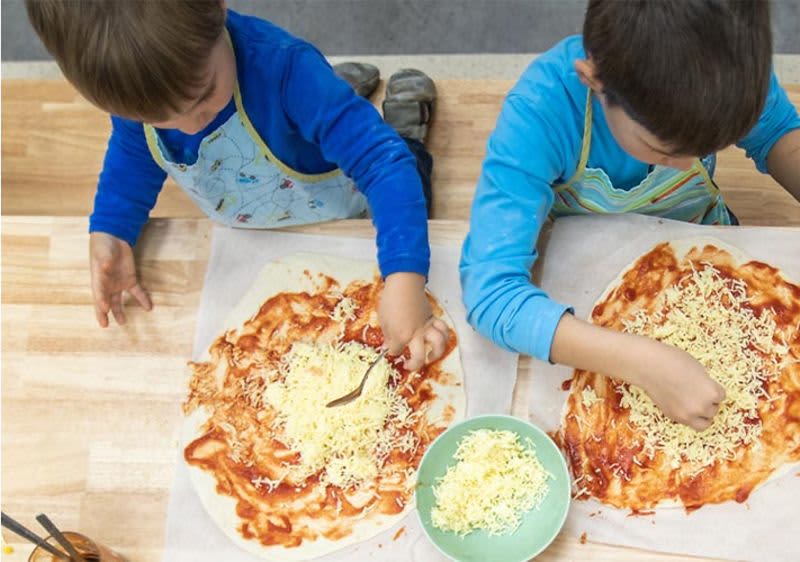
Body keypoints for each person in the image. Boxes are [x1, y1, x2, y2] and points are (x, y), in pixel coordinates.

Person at [25, 1, 444, 370]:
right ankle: (338, 99)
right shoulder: (143, 89)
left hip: (344, 201)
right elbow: (134, 155)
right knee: (326, 113)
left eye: (205, 96)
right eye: (162, 120)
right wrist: (112, 228)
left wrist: (404, 278)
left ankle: (401, 127)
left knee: (402, 168)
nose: (192, 124)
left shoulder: (284, 69)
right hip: (260, 221)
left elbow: (382, 166)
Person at [461, 0, 800, 429]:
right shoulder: (542, 112)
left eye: (709, 146)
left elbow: (779, 136)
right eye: (663, 149)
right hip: (588, 294)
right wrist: (642, 362)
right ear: (595, 81)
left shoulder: (726, 65)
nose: (684, 164)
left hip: (701, 249)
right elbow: (491, 295)